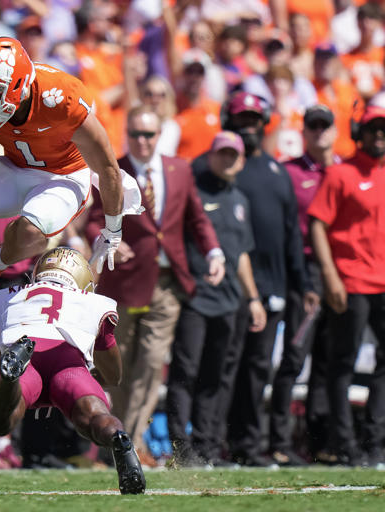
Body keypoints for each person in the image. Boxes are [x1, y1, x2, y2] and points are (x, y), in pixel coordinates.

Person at [0, 36, 140, 335]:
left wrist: (113, 229)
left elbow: (108, 167)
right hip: (15, 167)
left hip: (65, 175)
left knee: (31, 228)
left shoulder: (62, 98)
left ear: (18, 86)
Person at [85, 105, 224, 466]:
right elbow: (93, 219)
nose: (143, 141)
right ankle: (115, 438)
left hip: (166, 282)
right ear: (126, 134)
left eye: (149, 134)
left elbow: (196, 218)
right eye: (136, 134)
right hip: (124, 283)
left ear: (158, 135)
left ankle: (129, 443)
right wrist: (109, 239)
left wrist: (213, 252)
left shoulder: (179, 169)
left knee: (149, 365)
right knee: (120, 367)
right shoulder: (112, 169)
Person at [203, 91, 319, 466]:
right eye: (242, 119)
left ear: (264, 122)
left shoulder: (276, 172)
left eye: (254, 119)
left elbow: (291, 235)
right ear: (228, 121)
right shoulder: (215, 170)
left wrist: (302, 285)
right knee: (223, 367)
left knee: (257, 368)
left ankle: (249, 445)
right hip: (224, 286)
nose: (248, 125)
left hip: (270, 287)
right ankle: (212, 442)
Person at [0, 247, 145, 494]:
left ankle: (10, 379)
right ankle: (118, 438)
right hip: (67, 365)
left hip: (28, 360)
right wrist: (92, 375)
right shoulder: (93, 303)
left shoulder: (8, 296)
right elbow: (113, 376)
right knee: (93, 416)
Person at [165, 131, 266, 467]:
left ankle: (207, 447)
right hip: (195, 297)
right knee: (186, 372)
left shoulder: (240, 199)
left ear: (241, 160)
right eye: (222, 153)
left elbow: (242, 256)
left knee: (217, 376)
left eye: (233, 155)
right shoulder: (193, 192)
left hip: (230, 300)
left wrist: (253, 298)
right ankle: (181, 447)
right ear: (210, 155)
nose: (228, 160)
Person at [308, 104, 385, 467]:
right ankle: (345, 444)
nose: (379, 135)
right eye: (373, 129)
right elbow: (318, 225)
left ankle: (375, 439)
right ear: (359, 133)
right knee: (341, 363)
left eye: (383, 128)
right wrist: (330, 275)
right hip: (352, 282)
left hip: (382, 283)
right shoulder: (341, 173)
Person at [268, 105, 340, 465]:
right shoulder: (290, 172)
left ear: (335, 130)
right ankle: (280, 441)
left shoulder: (343, 170)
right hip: (305, 271)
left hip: (343, 272)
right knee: (295, 357)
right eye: (313, 125)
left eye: (325, 125)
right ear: (304, 130)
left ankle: (320, 441)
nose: (319, 132)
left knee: (329, 360)